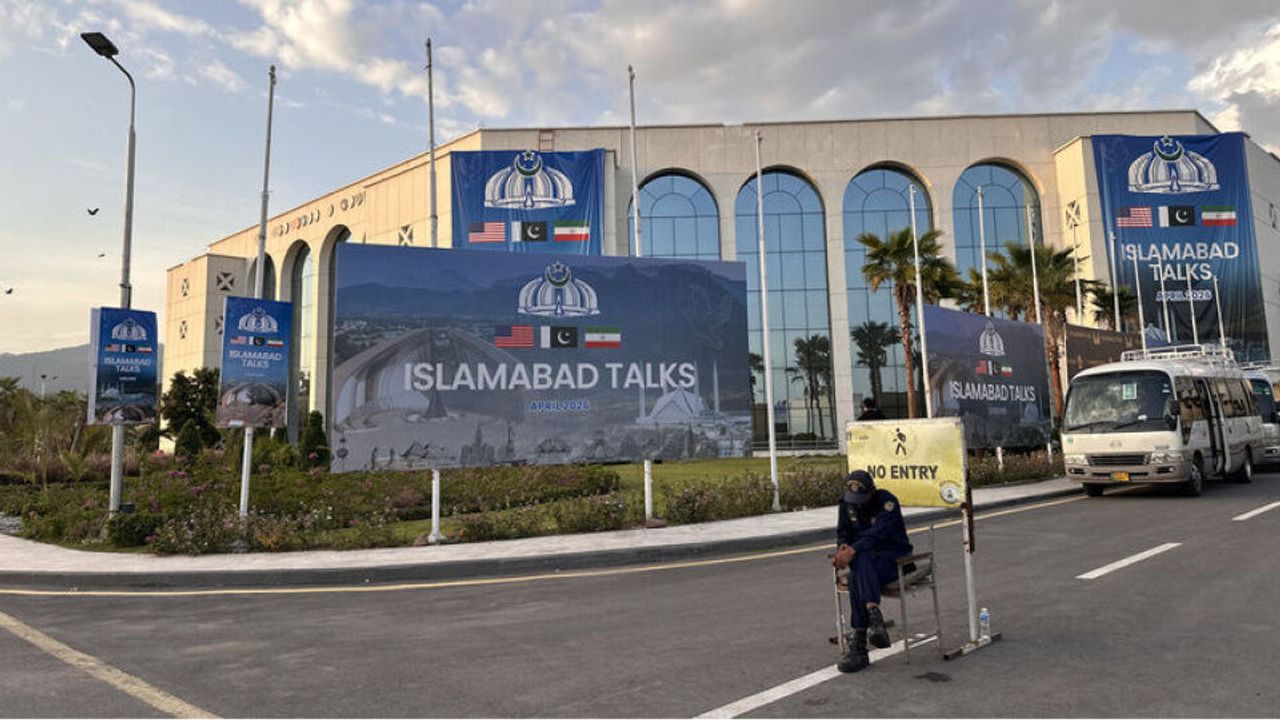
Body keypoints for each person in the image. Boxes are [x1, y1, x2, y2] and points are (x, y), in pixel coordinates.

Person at [832, 469, 913, 673]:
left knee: (858, 568)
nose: (858, 504)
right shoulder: (847, 504)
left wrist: (852, 550)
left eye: (862, 498)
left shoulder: (887, 502)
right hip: (866, 563)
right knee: (861, 562)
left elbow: (878, 535)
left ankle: (859, 645)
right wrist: (843, 546)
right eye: (854, 499)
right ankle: (874, 617)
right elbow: (843, 532)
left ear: (872, 491)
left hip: (893, 559)